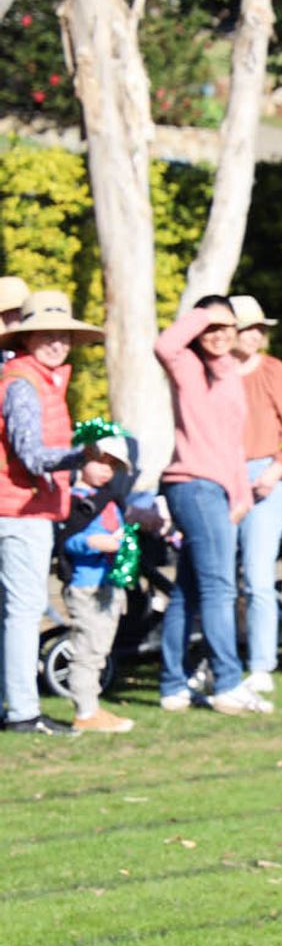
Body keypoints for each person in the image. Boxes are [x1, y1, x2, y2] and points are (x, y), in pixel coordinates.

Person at [156, 298, 265, 716]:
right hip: (193, 485)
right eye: (211, 328)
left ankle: (173, 687)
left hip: (218, 489)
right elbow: (164, 345)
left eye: (227, 327)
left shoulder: (230, 373)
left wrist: (241, 494)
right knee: (220, 588)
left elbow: (232, 443)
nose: (219, 335)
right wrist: (206, 314)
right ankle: (228, 683)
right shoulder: (187, 365)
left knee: (187, 591)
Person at [0, 295, 103, 733]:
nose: (58, 343)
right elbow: (31, 454)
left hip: (21, 508)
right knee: (24, 613)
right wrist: (85, 456)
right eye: (48, 335)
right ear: (26, 338)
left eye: (63, 336)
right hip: (20, 511)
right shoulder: (24, 382)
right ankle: (24, 712)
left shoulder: (37, 379)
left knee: (13, 612)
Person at [230, 296, 282, 694]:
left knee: (258, 576)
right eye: (248, 328)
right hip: (223, 474)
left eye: (259, 329)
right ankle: (220, 659)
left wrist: (275, 471)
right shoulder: (215, 373)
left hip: (265, 475)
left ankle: (261, 663)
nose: (255, 335)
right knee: (219, 577)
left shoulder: (275, 372)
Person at [60, 428, 137, 733]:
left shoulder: (110, 500)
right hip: (86, 585)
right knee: (88, 648)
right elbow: (67, 540)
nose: (107, 470)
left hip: (109, 583)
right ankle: (85, 710)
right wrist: (92, 543)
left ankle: (91, 707)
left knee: (100, 648)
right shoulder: (75, 501)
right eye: (101, 461)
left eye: (113, 465)